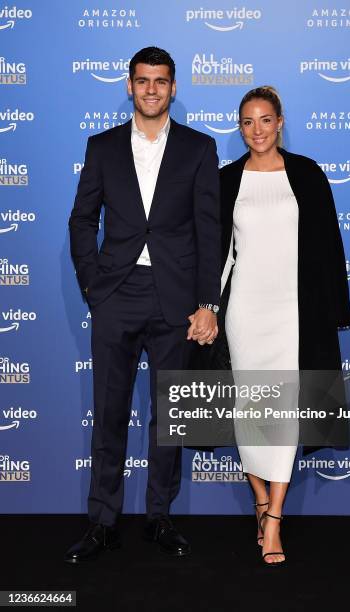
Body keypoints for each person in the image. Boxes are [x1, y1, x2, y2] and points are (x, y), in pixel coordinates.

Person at [65, 47, 221, 563]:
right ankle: (102, 521)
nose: (151, 89)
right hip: (117, 294)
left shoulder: (199, 148)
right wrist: (94, 285)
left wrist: (206, 304)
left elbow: (208, 231)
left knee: (170, 418)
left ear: (174, 88)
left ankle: (159, 517)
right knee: (109, 413)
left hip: (177, 301)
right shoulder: (103, 146)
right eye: (142, 81)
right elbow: (82, 220)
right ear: (129, 87)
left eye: (161, 81)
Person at [217, 86, 350, 566]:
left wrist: (336, 308)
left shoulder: (308, 174)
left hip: (294, 312)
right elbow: (220, 254)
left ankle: (273, 517)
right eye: (248, 122)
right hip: (246, 311)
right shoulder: (225, 179)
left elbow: (329, 244)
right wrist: (207, 308)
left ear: (280, 121)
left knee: (286, 412)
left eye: (266, 120)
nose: (257, 130)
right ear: (240, 127)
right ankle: (260, 500)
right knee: (250, 411)